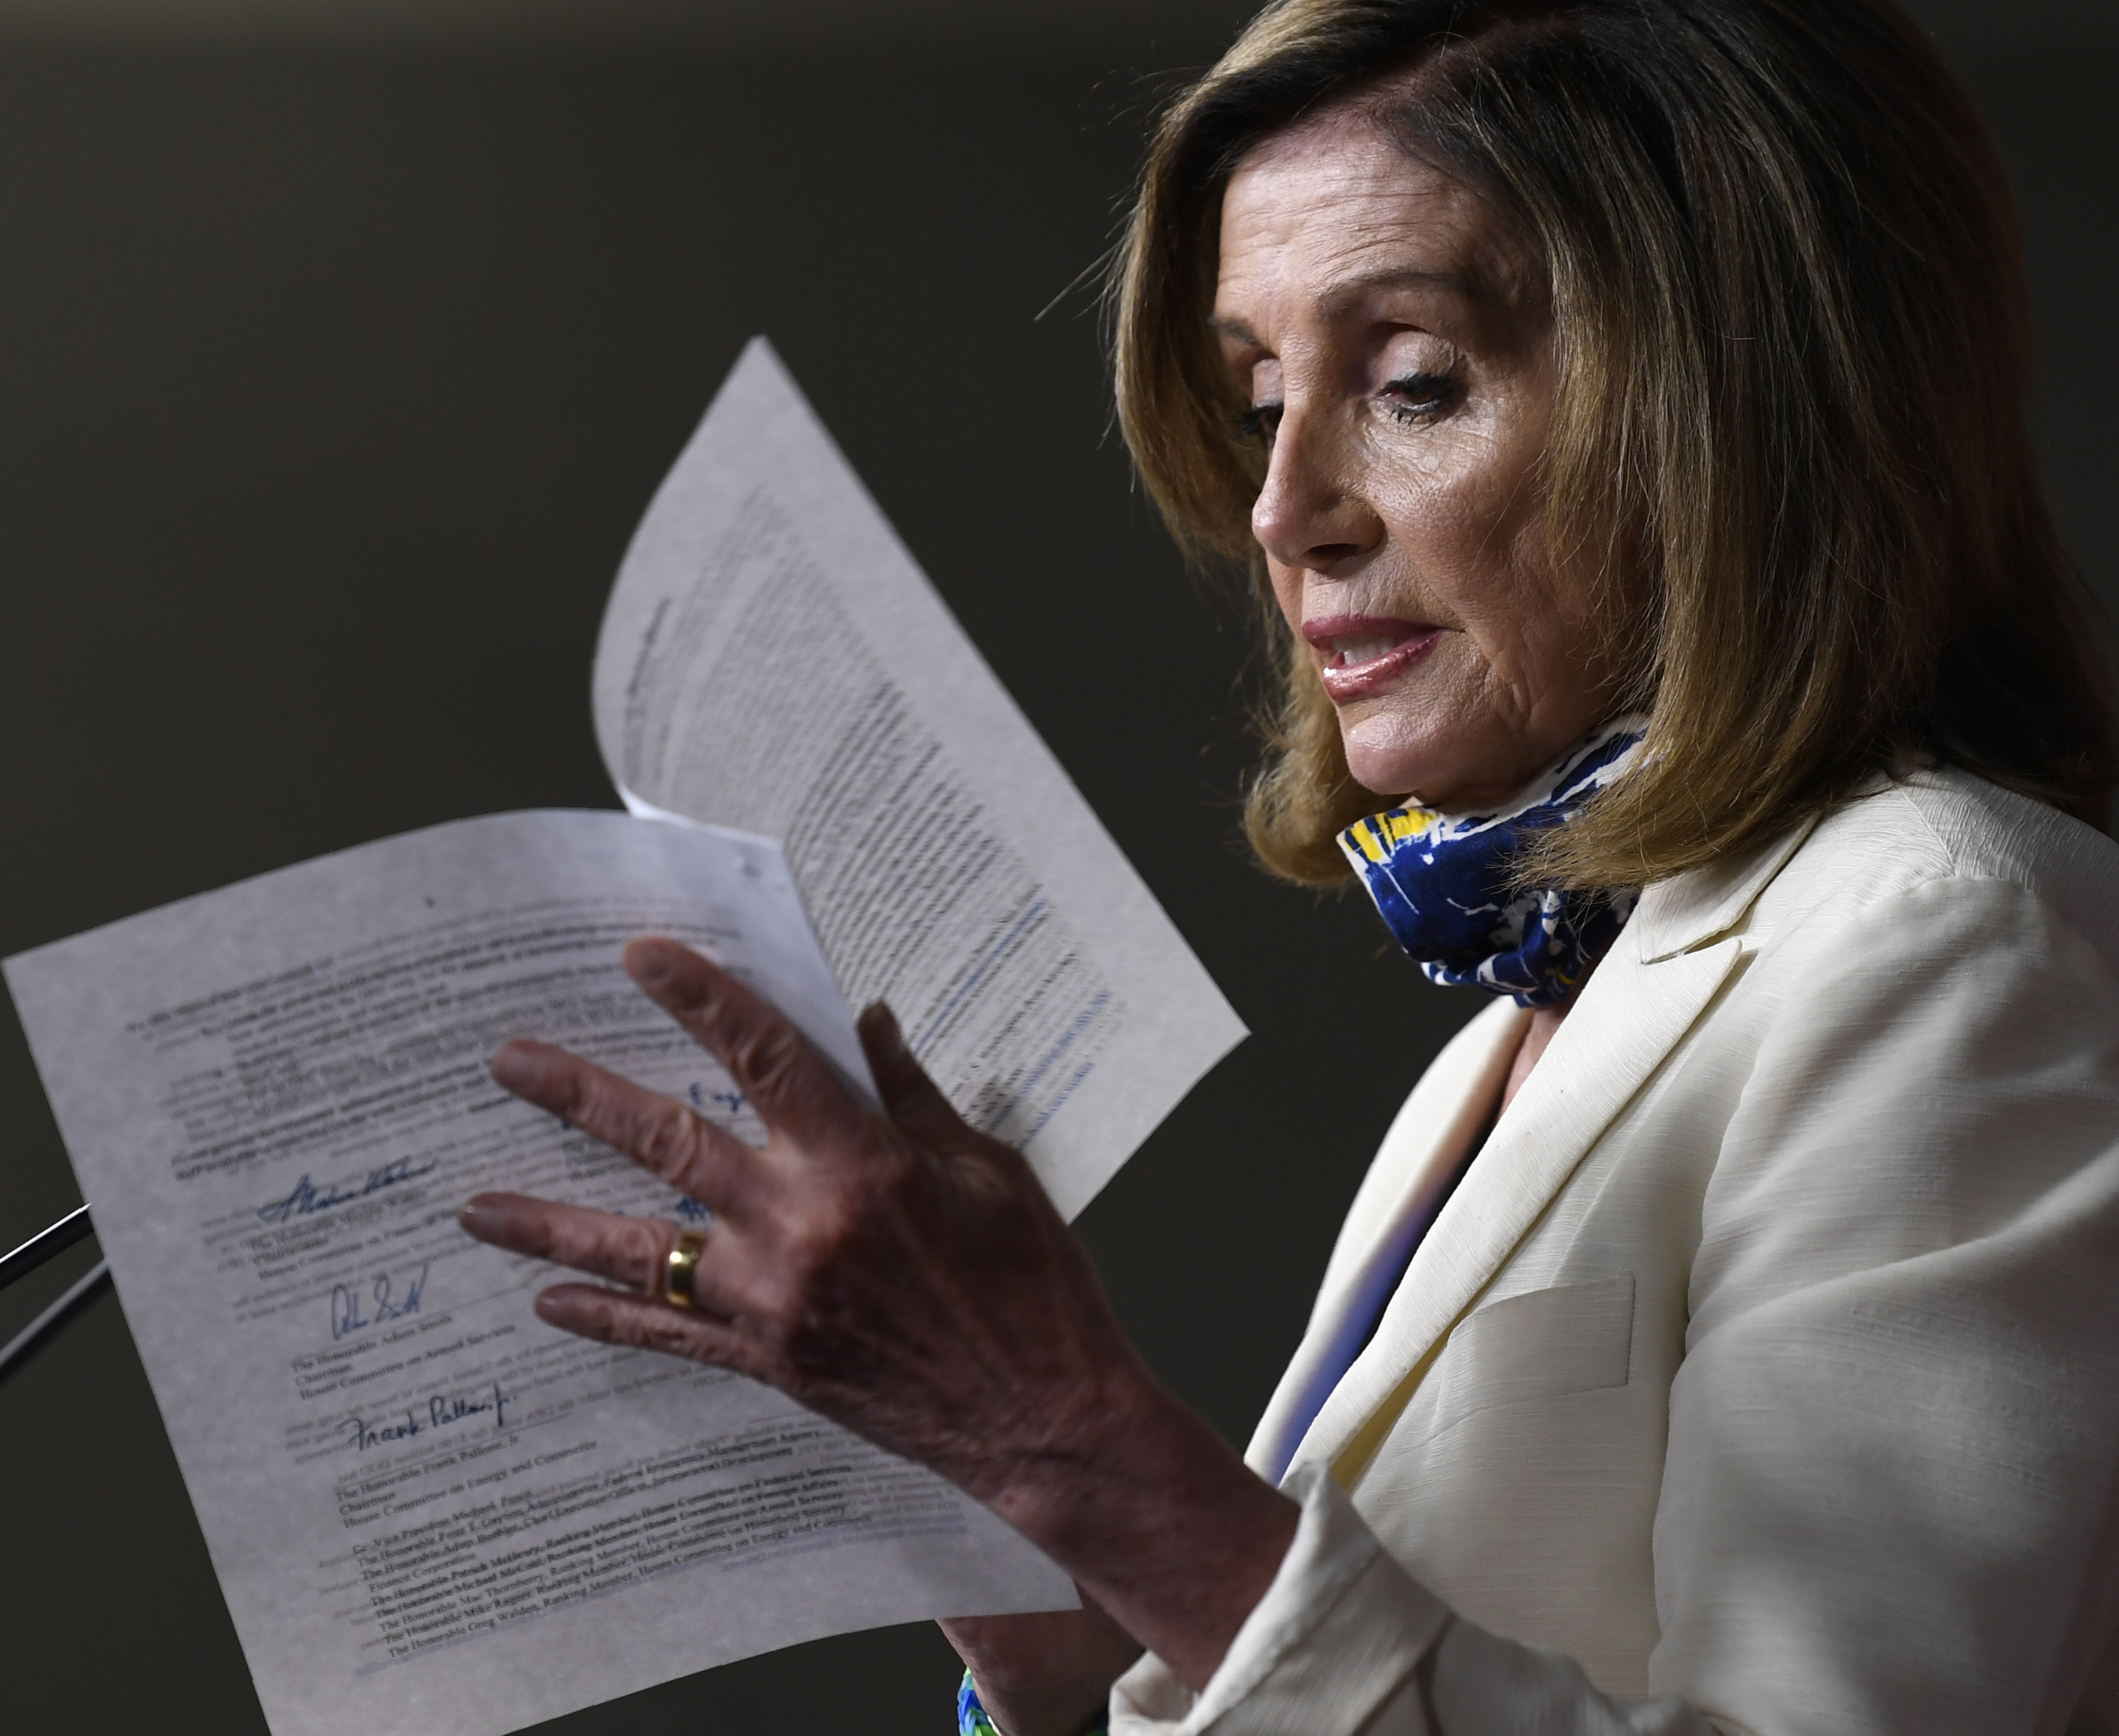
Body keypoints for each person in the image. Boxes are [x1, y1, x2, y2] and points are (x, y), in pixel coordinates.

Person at [458, 0, 2119, 1729]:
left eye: (1412, 383)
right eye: (1263, 396)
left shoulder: (1961, 937)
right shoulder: (1517, 1042)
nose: (1281, 506)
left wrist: (1072, 1441)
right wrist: (1056, 1630)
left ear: (1754, 409)